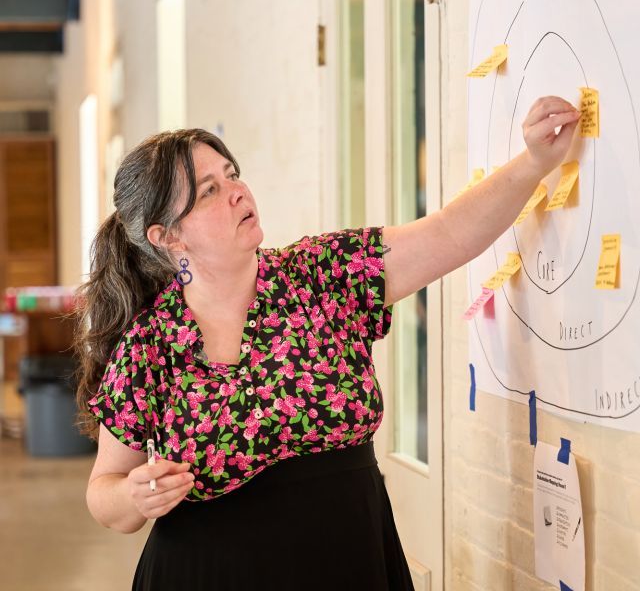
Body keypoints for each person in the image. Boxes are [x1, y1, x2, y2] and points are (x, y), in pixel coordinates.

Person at [76, 96, 580, 590]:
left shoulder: (322, 275)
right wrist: (136, 497)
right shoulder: (149, 345)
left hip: (348, 562)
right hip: (206, 571)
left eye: (232, 174)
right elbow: (105, 493)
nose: (237, 191)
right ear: (168, 237)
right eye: (209, 191)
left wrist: (535, 161)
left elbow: (449, 234)